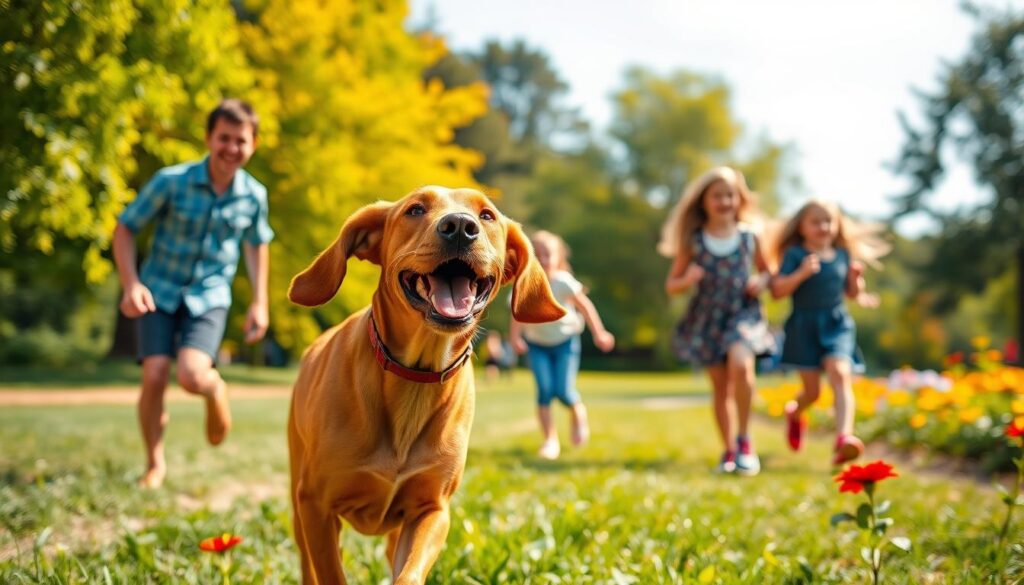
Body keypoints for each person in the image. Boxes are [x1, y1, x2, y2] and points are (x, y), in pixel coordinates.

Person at [112, 99, 274, 488]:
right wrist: (131, 283)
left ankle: (215, 387)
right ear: (208, 138)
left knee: (190, 376)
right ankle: (154, 464)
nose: (231, 148)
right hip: (159, 291)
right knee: (153, 375)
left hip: (209, 296)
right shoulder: (172, 181)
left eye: (241, 141)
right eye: (224, 138)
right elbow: (126, 228)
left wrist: (259, 301)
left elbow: (256, 245)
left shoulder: (254, 195)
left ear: (252, 145)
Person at [658, 166, 776, 476]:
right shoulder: (694, 240)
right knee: (720, 389)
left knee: (741, 365)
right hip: (707, 317)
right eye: (717, 196)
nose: (724, 201)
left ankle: (745, 440)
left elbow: (768, 271)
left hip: (742, 313)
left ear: (740, 200)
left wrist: (761, 282)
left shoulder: (750, 236)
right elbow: (672, 284)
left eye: (730, 195)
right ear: (704, 202)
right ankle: (728, 450)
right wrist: (688, 278)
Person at [769, 199, 888, 465]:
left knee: (840, 373)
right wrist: (800, 274)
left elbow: (852, 293)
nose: (823, 227)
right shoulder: (796, 256)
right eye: (816, 221)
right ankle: (795, 412)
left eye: (828, 221)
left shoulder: (843, 255)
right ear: (801, 227)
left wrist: (856, 279)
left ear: (837, 225)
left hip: (837, 325)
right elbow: (778, 291)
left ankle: (843, 438)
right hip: (804, 327)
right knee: (813, 393)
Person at [510, 231, 615, 460]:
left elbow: (585, 306)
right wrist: (515, 338)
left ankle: (578, 413)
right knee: (545, 392)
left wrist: (599, 332)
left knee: (563, 391)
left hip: (565, 344)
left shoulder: (563, 282)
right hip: (537, 345)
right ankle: (550, 441)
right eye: (537, 255)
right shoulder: (524, 284)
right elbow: (517, 314)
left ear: (558, 257)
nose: (543, 260)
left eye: (547, 254)